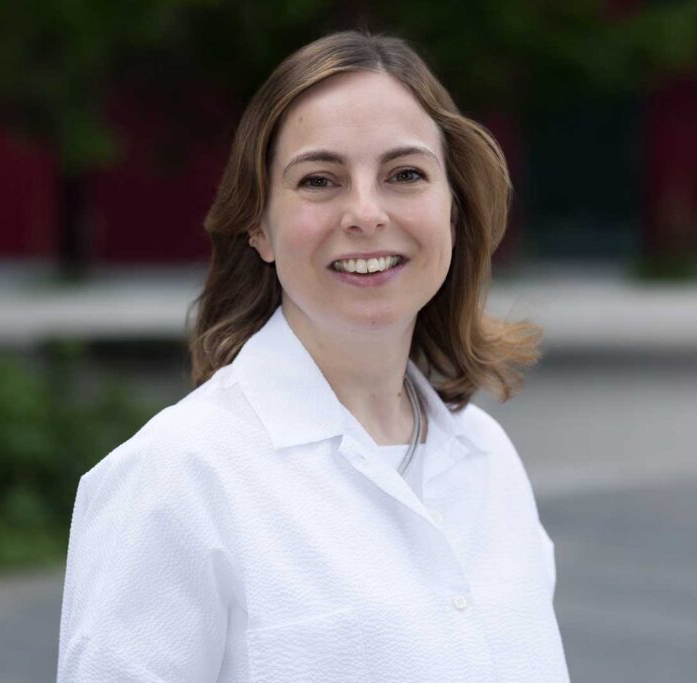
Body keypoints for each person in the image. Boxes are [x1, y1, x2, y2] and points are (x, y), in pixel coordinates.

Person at [58, 29, 570, 682]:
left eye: (405, 174)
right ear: (259, 226)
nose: (365, 212)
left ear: (454, 208)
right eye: (320, 179)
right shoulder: (177, 476)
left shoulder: (488, 459)